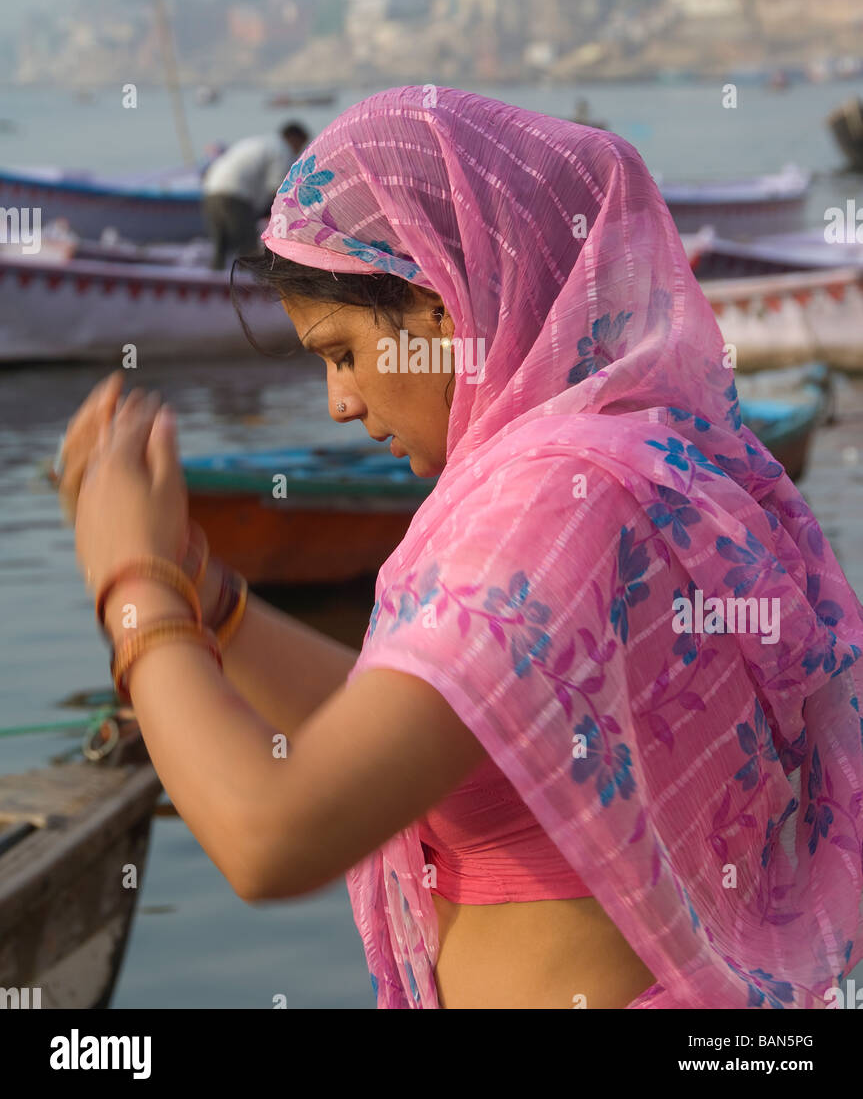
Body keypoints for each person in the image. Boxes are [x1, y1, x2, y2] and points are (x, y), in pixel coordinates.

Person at [58, 88, 863, 1010]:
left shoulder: (550, 502)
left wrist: (134, 587)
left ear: (442, 302)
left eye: (342, 352)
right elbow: (414, 738)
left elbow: (269, 837)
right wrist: (211, 600)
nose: (340, 404)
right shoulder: (642, 464)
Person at [201, 122, 310, 269]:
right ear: (294, 139)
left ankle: (216, 281)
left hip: (211, 190)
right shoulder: (282, 150)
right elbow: (277, 190)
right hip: (235, 195)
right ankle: (247, 287)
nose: (298, 151)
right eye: (300, 145)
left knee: (221, 247)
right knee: (248, 249)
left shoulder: (261, 142)